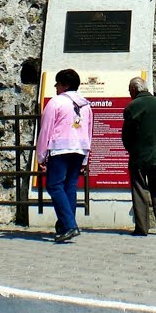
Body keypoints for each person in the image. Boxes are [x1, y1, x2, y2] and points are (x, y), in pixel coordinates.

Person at [36, 68, 92, 243]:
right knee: (70, 186)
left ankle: (69, 224)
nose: (55, 87)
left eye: (58, 83)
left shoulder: (56, 102)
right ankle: (65, 223)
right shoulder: (86, 105)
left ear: (64, 85)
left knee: (54, 186)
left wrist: (41, 155)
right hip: (79, 148)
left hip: (60, 148)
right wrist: (85, 157)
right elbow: (89, 130)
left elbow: (46, 130)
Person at [121, 76, 156, 236]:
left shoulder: (132, 107)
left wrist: (131, 149)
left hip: (139, 156)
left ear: (134, 90)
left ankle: (142, 228)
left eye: (130, 91)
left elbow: (126, 135)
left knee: (140, 191)